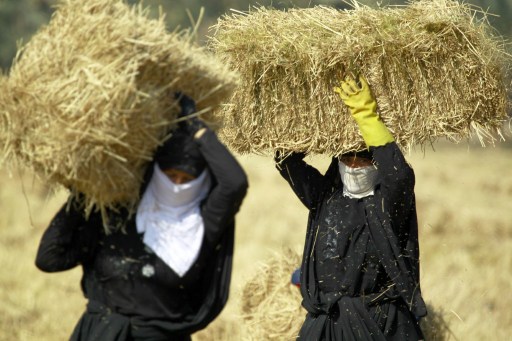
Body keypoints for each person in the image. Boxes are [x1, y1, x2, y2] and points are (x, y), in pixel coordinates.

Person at [35, 93, 248, 341]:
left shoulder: (202, 224)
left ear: (201, 182)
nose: (177, 186)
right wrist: (84, 193)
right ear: (155, 172)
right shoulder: (120, 211)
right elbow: (48, 259)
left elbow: (235, 182)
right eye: (170, 176)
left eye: (187, 180)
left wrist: (196, 126)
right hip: (103, 334)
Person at [275, 75, 427, 340]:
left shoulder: (387, 203)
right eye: (347, 158)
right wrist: (311, 111)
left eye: (363, 159)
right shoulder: (326, 196)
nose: (354, 166)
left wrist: (366, 116)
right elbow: (286, 161)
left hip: (380, 323)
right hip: (326, 324)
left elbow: (399, 174)